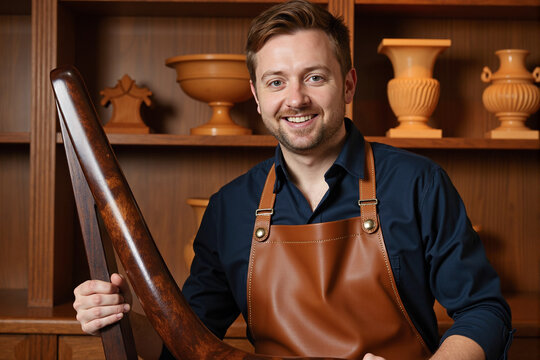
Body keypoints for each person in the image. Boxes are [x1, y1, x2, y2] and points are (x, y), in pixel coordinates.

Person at [73, 1, 513, 359]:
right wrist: (123, 316)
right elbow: (187, 345)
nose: (296, 98)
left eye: (315, 77)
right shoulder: (230, 208)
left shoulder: (419, 184)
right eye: (276, 82)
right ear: (258, 97)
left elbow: (484, 311)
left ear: (348, 84)